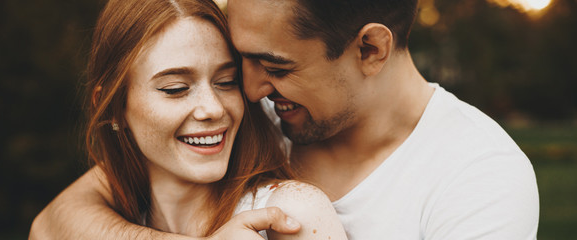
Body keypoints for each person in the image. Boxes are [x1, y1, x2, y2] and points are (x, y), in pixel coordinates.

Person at [31, 0, 540, 239]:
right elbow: (59, 217)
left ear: (370, 48)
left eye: (276, 67)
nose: (249, 92)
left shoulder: (480, 178)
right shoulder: (246, 123)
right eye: (241, 64)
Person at [29, 0, 348, 239]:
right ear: (114, 108)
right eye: (176, 89)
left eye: (226, 82)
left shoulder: (290, 212)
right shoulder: (110, 220)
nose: (213, 108)